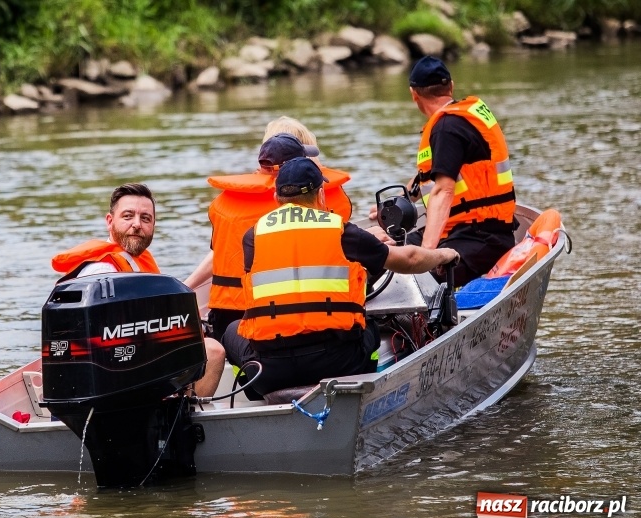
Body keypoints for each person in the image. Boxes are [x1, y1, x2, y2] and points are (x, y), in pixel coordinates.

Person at [222, 157, 459, 396]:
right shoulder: (341, 231)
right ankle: (364, 392)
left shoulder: (252, 237)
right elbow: (409, 259)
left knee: (231, 331)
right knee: (368, 323)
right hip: (338, 364)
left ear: (276, 198)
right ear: (320, 195)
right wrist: (443, 255)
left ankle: (254, 394)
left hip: (270, 372)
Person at [184, 118, 353, 342]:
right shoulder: (328, 197)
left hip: (231, 316)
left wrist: (186, 287)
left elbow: (224, 253)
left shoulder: (226, 203)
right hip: (301, 317)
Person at [50, 183, 225, 397]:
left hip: (132, 362)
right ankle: (179, 412)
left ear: (153, 225)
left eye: (145, 218)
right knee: (212, 351)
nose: (137, 224)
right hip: (109, 376)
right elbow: (103, 345)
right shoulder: (102, 272)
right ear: (110, 221)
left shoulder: (137, 263)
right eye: (128, 216)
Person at [370, 56, 517, 286]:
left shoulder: (446, 128)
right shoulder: (462, 117)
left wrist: (425, 255)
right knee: (380, 254)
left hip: (479, 238)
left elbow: (443, 190)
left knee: (413, 282)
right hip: (466, 231)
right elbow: (428, 177)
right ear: (451, 86)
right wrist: (397, 204)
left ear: (414, 94)